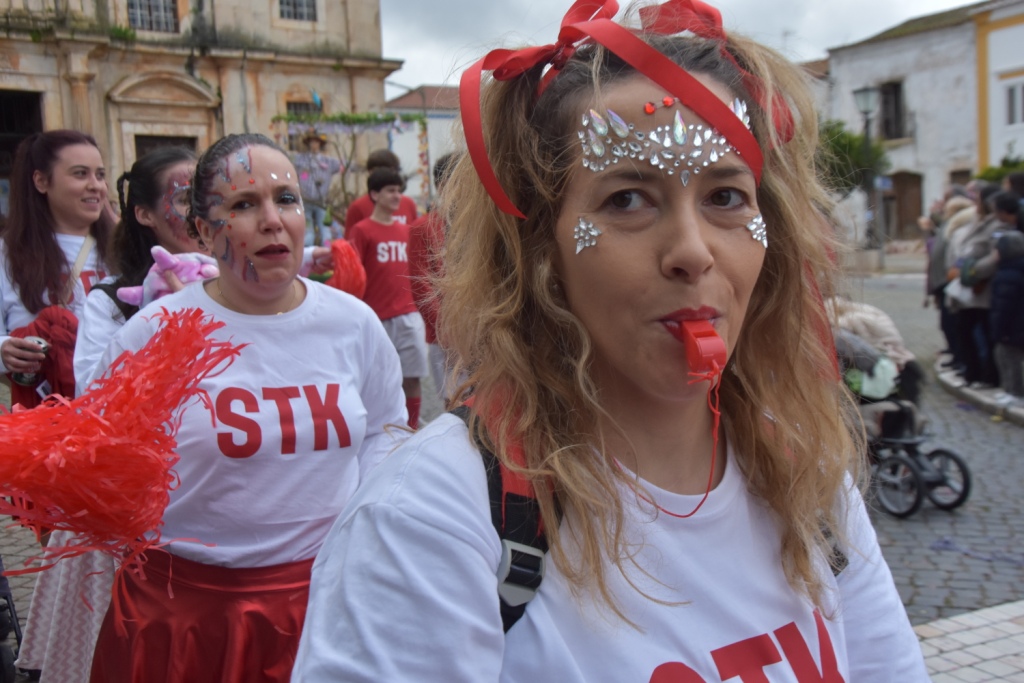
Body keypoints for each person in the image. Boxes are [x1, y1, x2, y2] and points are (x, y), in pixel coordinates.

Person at [292, 1, 929, 680]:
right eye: (627, 199)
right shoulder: (430, 522)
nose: (693, 252)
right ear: (542, 249)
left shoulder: (807, 477)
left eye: (725, 197)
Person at [87, 133, 407, 683]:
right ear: (204, 231)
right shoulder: (153, 334)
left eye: (286, 199)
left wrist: (364, 522)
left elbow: (386, 429)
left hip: (324, 606)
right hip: (184, 618)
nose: (272, 220)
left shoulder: (353, 323)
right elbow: (102, 460)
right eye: (243, 204)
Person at [1, 130, 114, 407]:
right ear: (41, 181)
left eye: (100, 175)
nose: (96, 186)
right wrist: (4, 350)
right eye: (80, 174)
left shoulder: (124, 250)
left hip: (118, 405)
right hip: (45, 413)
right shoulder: (7, 254)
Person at [346, 167, 428, 428]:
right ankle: (382, 428)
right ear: (374, 194)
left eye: (399, 191)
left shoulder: (406, 231)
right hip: (376, 317)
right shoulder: (361, 231)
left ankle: (411, 428)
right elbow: (351, 273)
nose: (397, 196)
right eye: (390, 191)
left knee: (412, 377)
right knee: (379, 381)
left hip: (408, 315)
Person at [408, 152, 458, 404]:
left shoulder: (477, 225)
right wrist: (445, 330)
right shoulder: (423, 228)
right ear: (443, 185)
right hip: (446, 336)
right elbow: (421, 283)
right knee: (455, 402)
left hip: (481, 331)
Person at [990, 220, 1024, 404]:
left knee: (1009, 359)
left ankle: (1014, 392)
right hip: (1016, 326)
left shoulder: (1007, 275)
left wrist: (998, 329)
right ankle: (1009, 390)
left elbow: (1003, 306)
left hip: (1012, 327)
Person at [342, 148, 417, 230]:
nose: (381, 176)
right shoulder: (358, 207)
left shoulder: (408, 204)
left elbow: (415, 234)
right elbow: (351, 237)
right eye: (375, 172)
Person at [292, 130, 342, 246]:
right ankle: (309, 251)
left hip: (321, 201)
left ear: (320, 144)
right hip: (306, 200)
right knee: (308, 231)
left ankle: (326, 251)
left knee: (325, 229)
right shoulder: (300, 159)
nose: (314, 144)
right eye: (312, 142)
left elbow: (344, 166)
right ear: (308, 143)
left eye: (316, 142)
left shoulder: (328, 161)